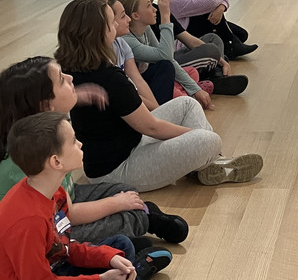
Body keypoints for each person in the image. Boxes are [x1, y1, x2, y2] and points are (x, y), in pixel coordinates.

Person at [0, 112, 172, 280]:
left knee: (120, 245)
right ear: (56, 162)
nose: (80, 144)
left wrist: (108, 258)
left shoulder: (54, 192)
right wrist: (102, 279)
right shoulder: (27, 220)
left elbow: (65, 248)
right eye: (72, 141)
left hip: (52, 269)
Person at [55, 0, 263, 190]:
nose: (117, 24)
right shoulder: (109, 77)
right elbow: (151, 127)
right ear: (100, 32)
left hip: (127, 145)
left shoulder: (70, 69)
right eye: (112, 22)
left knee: (187, 105)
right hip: (116, 171)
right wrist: (199, 136)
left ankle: (210, 164)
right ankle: (212, 161)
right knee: (209, 141)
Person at [0, 56, 189, 245]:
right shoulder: (31, 156)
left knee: (123, 190)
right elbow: (68, 216)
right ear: (47, 105)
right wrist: (115, 204)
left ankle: (134, 224)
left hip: (64, 201)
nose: (70, 79)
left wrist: (76, 96)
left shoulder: (41, 127)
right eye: (61, 80)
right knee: (79, 233)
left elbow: (66, 202)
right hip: (43, 228)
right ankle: (138, 223)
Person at [117, 0, 214, 110]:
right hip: (139, 91)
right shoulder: (127, 40)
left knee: (189, 71)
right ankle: (183, 98)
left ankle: (185, 93)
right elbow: (166, 56)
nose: (155, 9)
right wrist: (165, 16)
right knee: (166, 67)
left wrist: (196, 89)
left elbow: (169, 58)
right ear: (135, 15)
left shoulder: (146, 29)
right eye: (149, 6)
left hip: (148, 79)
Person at [164, 0, 257, 59]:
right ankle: (230, 46)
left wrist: (220, 8)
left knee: (242, 34)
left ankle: (230, 44)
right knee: (207, 6)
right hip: (182, 45)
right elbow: (211, 1)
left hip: (192, 32)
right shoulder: (173, 0)